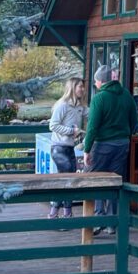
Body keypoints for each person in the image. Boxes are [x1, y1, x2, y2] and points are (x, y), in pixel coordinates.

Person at [83, 61, 138, 224]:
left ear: (101, 81)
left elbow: (92, 127)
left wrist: (87, 150)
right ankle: (111, 222)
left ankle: (99, 217)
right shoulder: (126, 95)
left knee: (96, 179)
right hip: (122, 145)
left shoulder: (99, 98)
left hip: (102, 145)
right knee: (114, 181)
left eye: (96, 81)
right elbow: (134, 120)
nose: (95, 84)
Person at [48, 72, 87, 219]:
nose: (82, 89)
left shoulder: (80, 107)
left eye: (83, 87)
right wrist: (72, 131)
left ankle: (56, 212)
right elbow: (52, 125)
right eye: (80, 87)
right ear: (72, 88)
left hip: (69, 147)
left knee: (67, 179)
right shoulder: (62, 105)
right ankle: (66, 212)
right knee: (68, 178)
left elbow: (92, 114)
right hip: (58, 148)